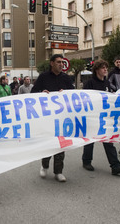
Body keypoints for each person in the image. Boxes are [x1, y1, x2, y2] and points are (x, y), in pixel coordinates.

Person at [31, 54, 74, 182]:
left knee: (61, 144)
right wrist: (41, 93)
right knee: (49, 143)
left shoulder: (66, 78)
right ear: (51, 63)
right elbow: (33, 93)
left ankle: (58, 171)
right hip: (48, 117)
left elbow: (73, 94)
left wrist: (65, 93)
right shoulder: (43, 77)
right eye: (58, 62)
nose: (61, 64)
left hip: (62, 117)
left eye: (62, 62)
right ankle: (44, 165)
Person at [82, 59, 120, 175]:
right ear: (97, 70)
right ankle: (86, 161)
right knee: (90, 140)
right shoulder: (90, 83)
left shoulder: (107, 83)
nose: (105, 70)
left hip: (104, 117)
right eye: (103, 68)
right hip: (92, 117)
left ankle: (115, 166)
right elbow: (84, 99)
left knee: (108, 140)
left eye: (106, 68)